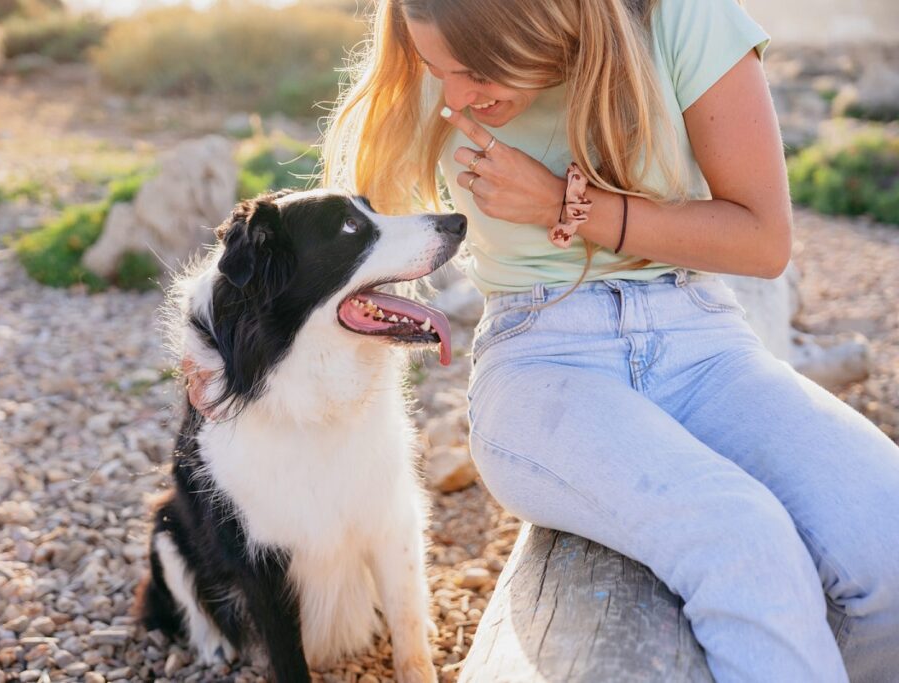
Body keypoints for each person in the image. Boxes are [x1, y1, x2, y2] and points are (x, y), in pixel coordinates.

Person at [318, 0, 899, 681]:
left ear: (547, 23)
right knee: (744, 541)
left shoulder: (682, 17)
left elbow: (764, 240)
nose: (455, 96)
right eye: (434, 69)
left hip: (703, 341)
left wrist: (566, 206)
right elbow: (326, 243)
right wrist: (215, 340)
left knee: (886, 544)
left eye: (476, 70)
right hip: (542, 360)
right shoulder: (430, 28)